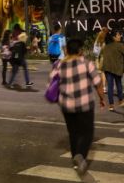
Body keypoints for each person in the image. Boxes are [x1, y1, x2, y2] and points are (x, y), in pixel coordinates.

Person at [48, 38, 105, 175]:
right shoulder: (86, 64)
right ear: (80, 51)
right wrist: (102, 99)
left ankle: (75, 159)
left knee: (73, 133)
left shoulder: (58, 65)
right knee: (87, 133)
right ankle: (81, 156)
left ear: (66, 50)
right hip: (84, 104)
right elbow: (98, 83)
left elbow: (52, 84)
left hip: (66, 106)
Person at [93, 27, 109, 93]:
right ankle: (108, 86)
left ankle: (104, 87)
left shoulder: (98, 39)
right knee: (107, 73)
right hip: (109, 57)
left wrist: (96, 58)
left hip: (102, 58)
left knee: (103, 73)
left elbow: (95, 51)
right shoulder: (108, 39)